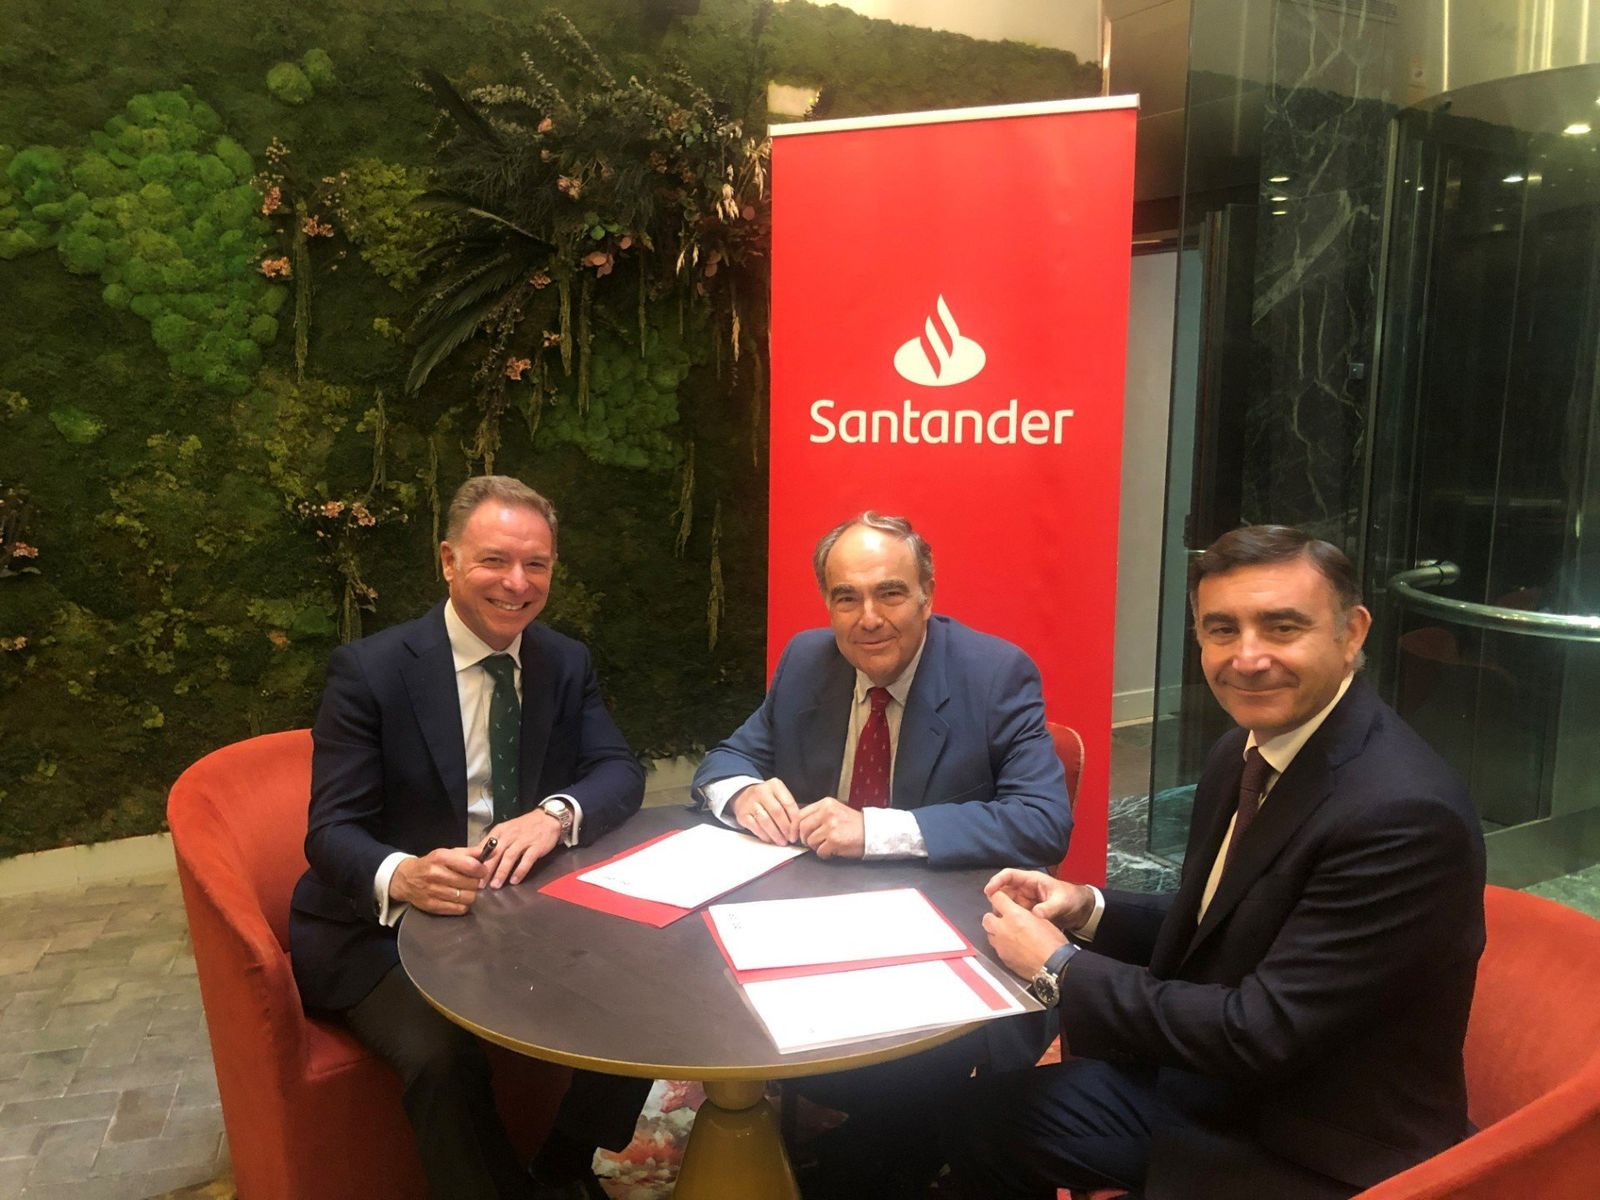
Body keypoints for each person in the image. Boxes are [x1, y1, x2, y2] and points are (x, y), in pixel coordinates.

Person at [957, 525, 1487, 1200]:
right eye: (1221, 630)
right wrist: (1088, 908)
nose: (1248, 657)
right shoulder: (1244, 750)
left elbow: (1259, 1032)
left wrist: (1060, 968)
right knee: (975, 1117)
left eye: (1282, 627)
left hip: (1313, 1141)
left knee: (978, 1124)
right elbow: (1221, 924)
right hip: (1217, 1085)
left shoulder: (1402, 816)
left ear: (1352, 633)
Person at [289, 476, 650, 1200]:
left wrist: (554, 813)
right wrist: (403, 874)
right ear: (448, 560)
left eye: (537, 565)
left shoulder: (563, 661)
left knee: (648, 985)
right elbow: (329, 831)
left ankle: (564, 1162)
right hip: (384, 931)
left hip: (515, 911)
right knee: (442, 1054)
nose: (517, 583)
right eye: (494, 561)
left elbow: (618, 769)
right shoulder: (372, 672)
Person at [692, 510, 1072, 1197]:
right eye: (847, 598)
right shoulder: (808, 660)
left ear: (927, 592)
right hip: (813, 928)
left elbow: (1042, 822)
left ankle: (871, 1154)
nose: (869, 618)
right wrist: (743, 791)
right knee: (716, 1011)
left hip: (946, 947)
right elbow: (726, 758)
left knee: (888, 1119)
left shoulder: (995, 675)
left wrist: (878, 830)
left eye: (890, 593)